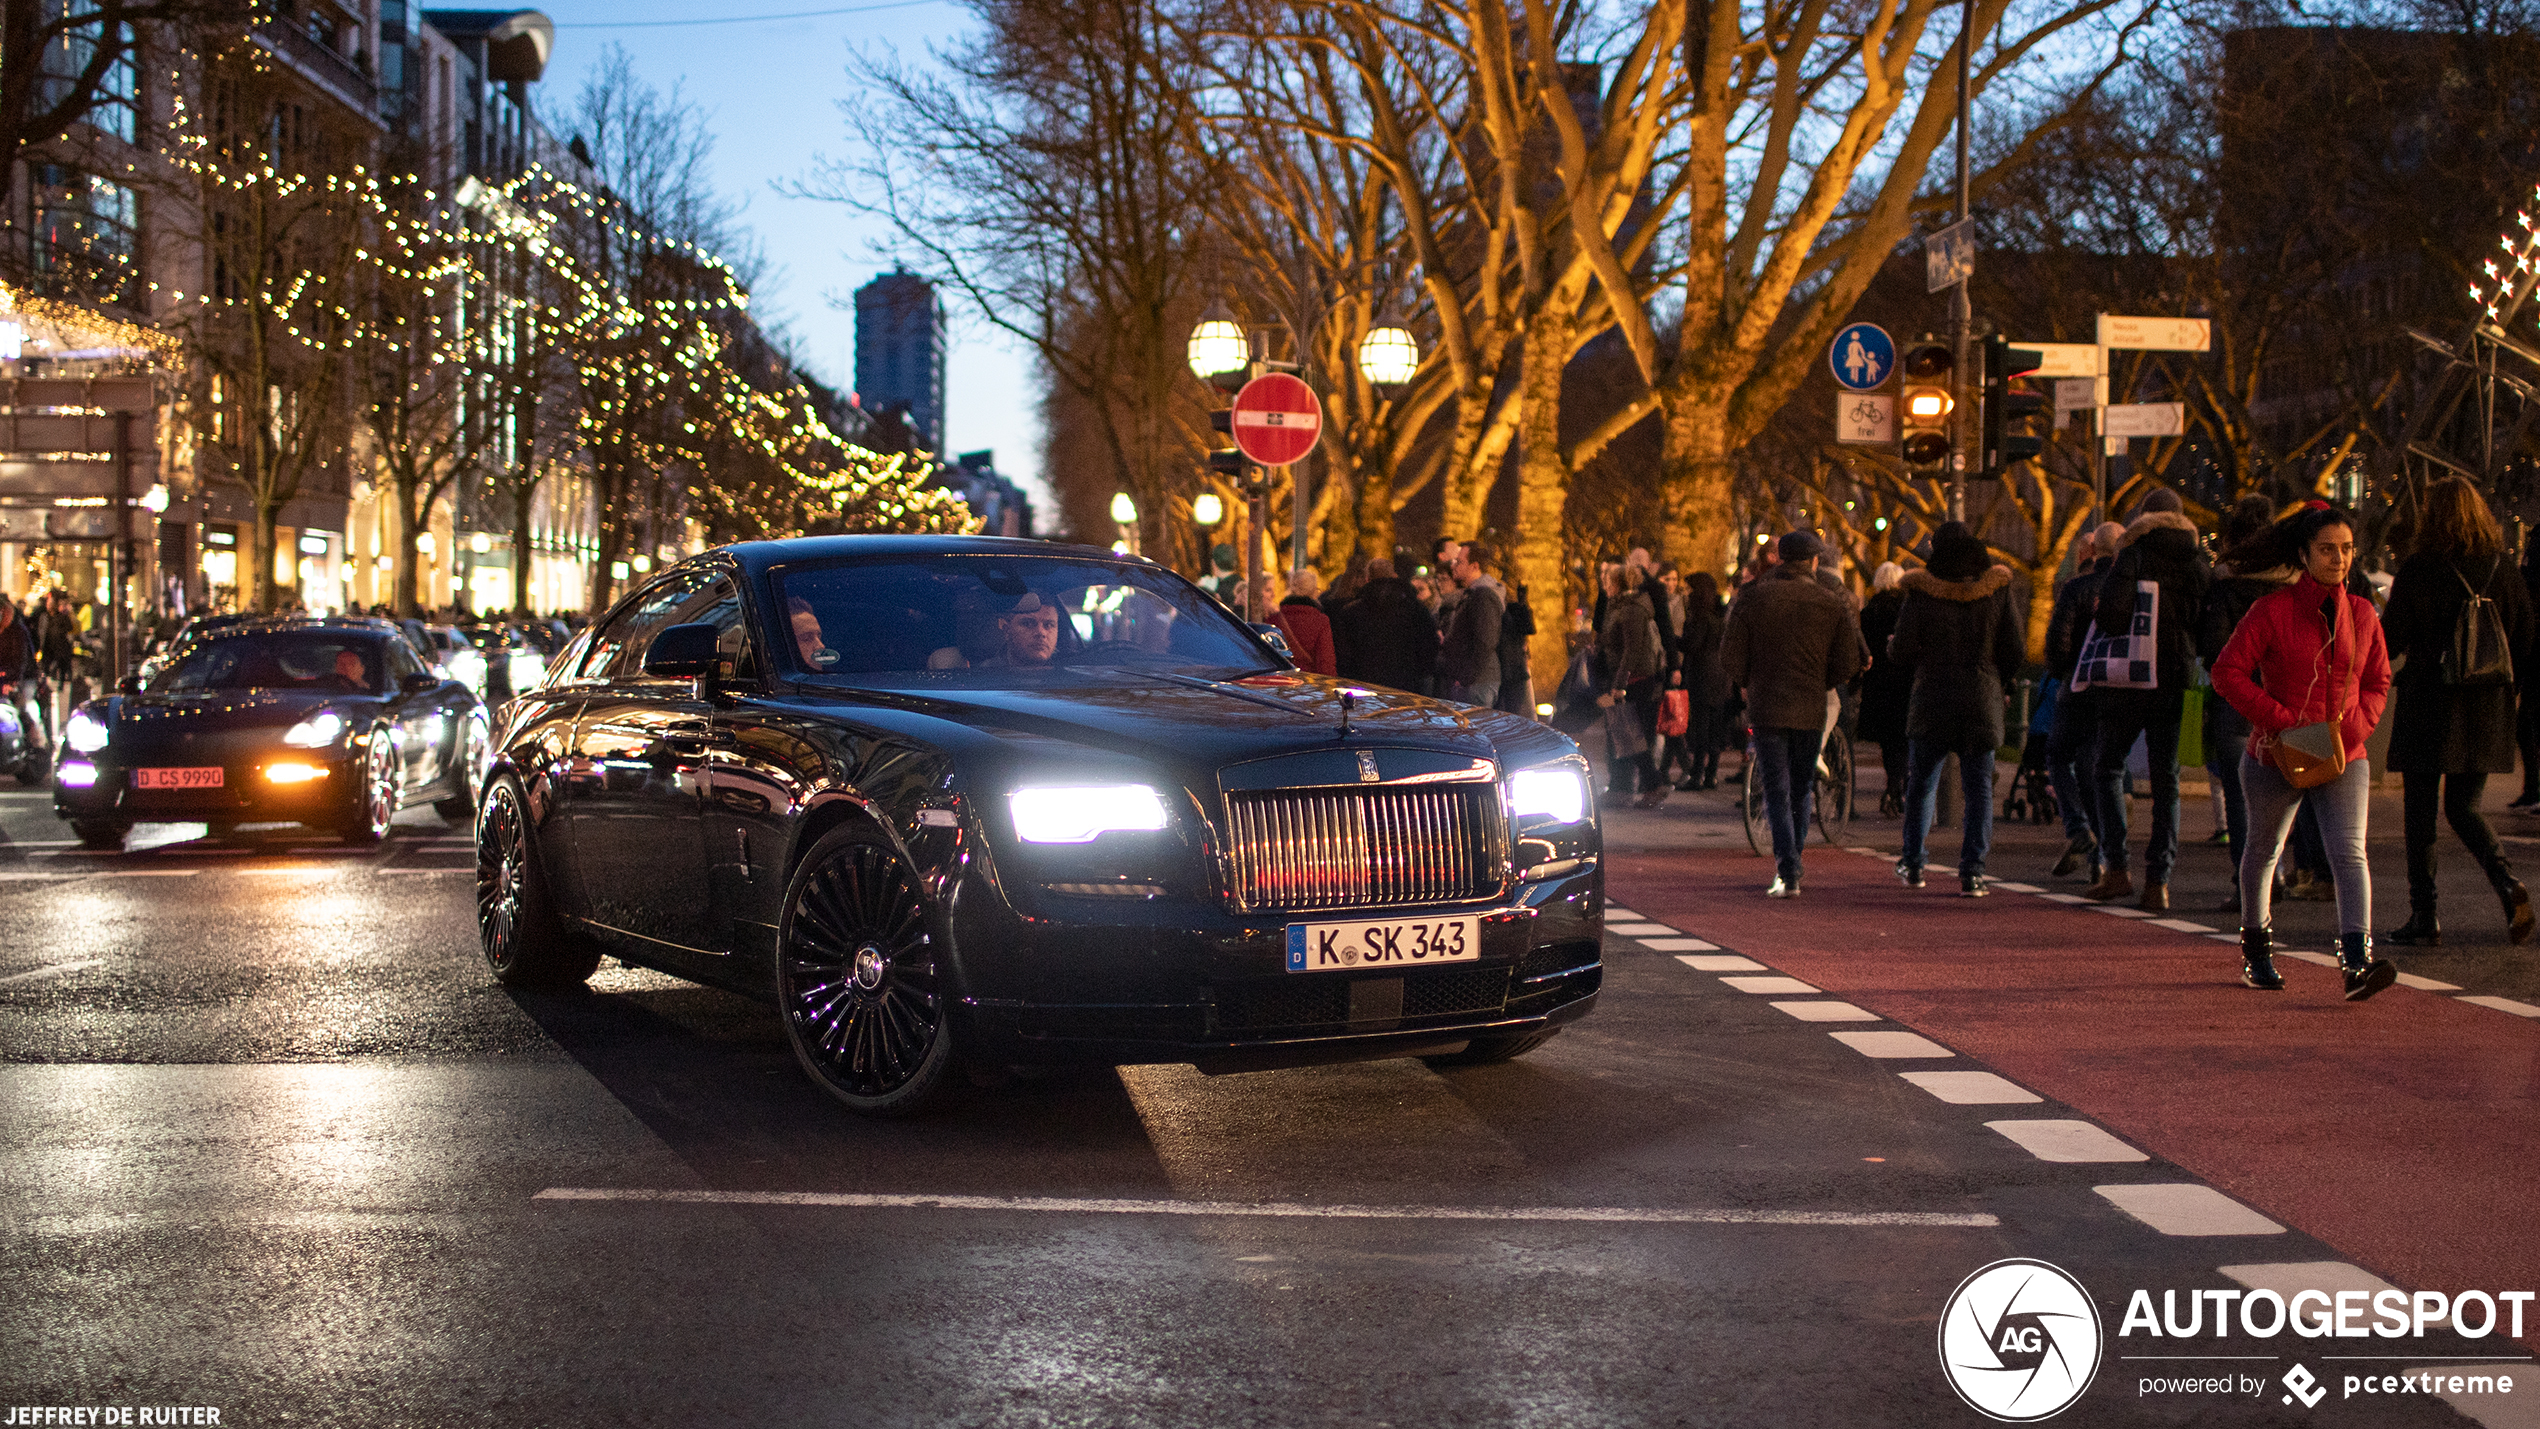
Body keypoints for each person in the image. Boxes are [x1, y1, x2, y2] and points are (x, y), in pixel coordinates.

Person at [2210, 504, 2398, 999]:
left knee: (2349, 854)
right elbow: (2226, 673)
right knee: (2264, 850)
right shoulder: (2271, 610)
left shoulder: (2362, 613)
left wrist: (2354, 730)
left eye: (2346, 549)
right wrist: (2279, 719)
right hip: (2276, 753)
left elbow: (2379, 680)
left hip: (2342, 754)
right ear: (2303, 553)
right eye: (2327, 549)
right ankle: (2256, 948)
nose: (2339, 559)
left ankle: (2357, 963)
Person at [2378, 475, 2536, 946]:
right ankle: (2506, 881)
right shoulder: (2503, 571)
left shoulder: (2419, 569)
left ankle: (2424, 914)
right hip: (2487, 706)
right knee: (2465, 807)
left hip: (2430, 700)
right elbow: (2525, 638)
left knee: (2420, 812)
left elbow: (2391, 639)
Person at [1721, 530, 1867, 897]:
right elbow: (1848, 659)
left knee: (1776, 787)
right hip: (1810, 703)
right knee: (1802, 786)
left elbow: (1730, 654)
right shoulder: (1828, 600)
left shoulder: (1753, 598)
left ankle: (1788, 868)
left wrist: (1748, 680)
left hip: (1767, 702)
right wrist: (1821, 680)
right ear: (1814, 561)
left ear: (1780, 559)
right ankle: (1793, 861)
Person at [2085, 488, 2211, 911]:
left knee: (2107, 767)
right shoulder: (2197, 561)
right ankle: (2159, 880)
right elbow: (2207, 624)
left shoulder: (2133, 553)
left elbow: (2114, 615)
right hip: (2173, 677)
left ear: (2144, 517)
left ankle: (2116, 867)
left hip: (2129, 678)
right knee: (2166, 781)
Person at [1890, 523, 2025, 896]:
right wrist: (2002, 682)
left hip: (1933, 697)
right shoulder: (1997, 591)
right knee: (1979, 788)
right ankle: (1973, 872)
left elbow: (1901, 649)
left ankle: (1914, 863)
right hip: (1981, 698)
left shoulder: (1921, 593)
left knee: (1922, 784)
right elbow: (2014, 648)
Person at [2198, 496, 2295, 912]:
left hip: (2238, 701)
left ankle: (2248, 883)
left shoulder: (2225, 585)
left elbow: (2212, 645)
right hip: (2290, 698)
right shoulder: (2295, 584)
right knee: (2296, 787)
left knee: (2240, 793)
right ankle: (2285, 872)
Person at [2044, 525, 2123, 880]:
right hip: (2116, 689)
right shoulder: (2130, 589)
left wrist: (2066, 673)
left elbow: (2056, 644)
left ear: (2092, 550)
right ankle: (2102, 855)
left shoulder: (2075, 588)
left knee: (2059, 755)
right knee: (2099, 768)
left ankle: (2078, 828)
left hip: (2078, 686)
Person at [1596, 563, 1663, 802]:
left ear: (1616, 584)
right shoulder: (1622, 606)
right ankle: (1625, 787)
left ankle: (1651, 785)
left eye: (1607, 580)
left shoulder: (1631, 610)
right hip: (1628, 677)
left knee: (1631, 737)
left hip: (1636, 680)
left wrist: (1620, 684)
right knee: (1624, 736)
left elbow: (1632, 650)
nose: (1604, 585)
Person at [1333, 558, 1439, 694]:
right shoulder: (1416, 610)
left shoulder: (1352, 612)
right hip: (1406, 687)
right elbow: (1429, 647)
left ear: (1367, 579)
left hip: (1363, 686)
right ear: (1394, 576)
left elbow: (1343, 654)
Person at [1855, 562, 1912, 814]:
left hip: (1879, 684)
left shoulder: (1870, 612)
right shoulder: (1907, 609)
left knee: (1888, 742)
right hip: (1905, 682)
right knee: (1905, 736)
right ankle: (1901, 784)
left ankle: (1892, 782)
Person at [1672, 572, 1726, 790]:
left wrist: (1671, 640)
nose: (1685, 593)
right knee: (1714, 727)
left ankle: (1697, 775)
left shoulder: (1700, 617)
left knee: (1701, 727)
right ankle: (1711, 773)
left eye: (1688, 589)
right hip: (1718, 674)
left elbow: (1691, 644)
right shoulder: (1717, 615)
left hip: (1702, 674)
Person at [1438, 541, 1506, 707]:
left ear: (1474, 566)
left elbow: (1486, 640)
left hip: (1476, 684)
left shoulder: (1482, 595)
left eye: (1460, 562)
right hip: (1472, 681)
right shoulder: (1472, 594)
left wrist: (1466, 678)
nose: (1454, 566)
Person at [1274, 568, 1338, 675]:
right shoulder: (1320, 620)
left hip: (1281, 679)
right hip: (1307, 682)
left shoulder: (1276, 618)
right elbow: (1325, 661)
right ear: (1314, 592)